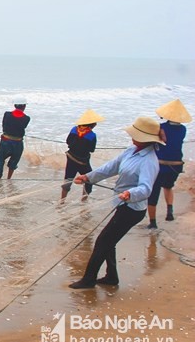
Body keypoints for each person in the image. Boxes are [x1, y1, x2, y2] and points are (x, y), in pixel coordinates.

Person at [68, 117, 163, 289]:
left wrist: (130, 193)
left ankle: (89, 280)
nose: (132, 136)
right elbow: (110, 167)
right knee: (109, 241)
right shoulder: (131, 150)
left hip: (132, 209)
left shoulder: (149, 160)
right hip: (121, 203)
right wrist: (88, 177)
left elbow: (146, 188)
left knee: (103, 241)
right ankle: (112, 277)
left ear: (145, 138)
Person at [146, 99, 191, 229]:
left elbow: (156, 141)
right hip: (176, 165)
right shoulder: (183, 129)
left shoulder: (161, 128)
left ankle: (152, 223)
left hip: (161, 165)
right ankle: (169, 211)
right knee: (168, 187)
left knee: (153, 192)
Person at [60, 109, 104, 201]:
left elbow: (68, 142)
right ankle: (83, 202)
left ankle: (62, 201)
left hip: (71, 158)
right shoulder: (92, 135)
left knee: (68, 179)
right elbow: (91, 149)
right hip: (83, 161)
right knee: (89, 180)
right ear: (93, 124)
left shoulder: (74, 129)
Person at [0, 97, 30, 179]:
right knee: (14, 162)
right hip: (18, 142)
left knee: (0, 159)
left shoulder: (7, 114)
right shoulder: (27, 118)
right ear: (24, 106)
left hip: (5, 140)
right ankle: (9, 178)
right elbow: (22, 127)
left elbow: (4, 126)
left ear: (14, 105)